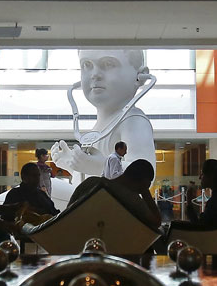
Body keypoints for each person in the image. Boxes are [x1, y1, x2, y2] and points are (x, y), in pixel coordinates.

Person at [51, 49, 154, 194]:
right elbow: (92, 178)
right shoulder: (100, 126)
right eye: (87, 65)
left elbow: (144, 175)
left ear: (140, 76)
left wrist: (99, 166)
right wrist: (73, 165)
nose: (95, 74)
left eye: (108, 64)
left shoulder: (133, 121)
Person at [70, 159, 162, 230]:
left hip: (75, 241)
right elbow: (156, 222)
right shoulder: (132, 199)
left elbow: (69, 209)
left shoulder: (91, 183)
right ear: (144, 183)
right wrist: (145, 192)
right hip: (113, 249)